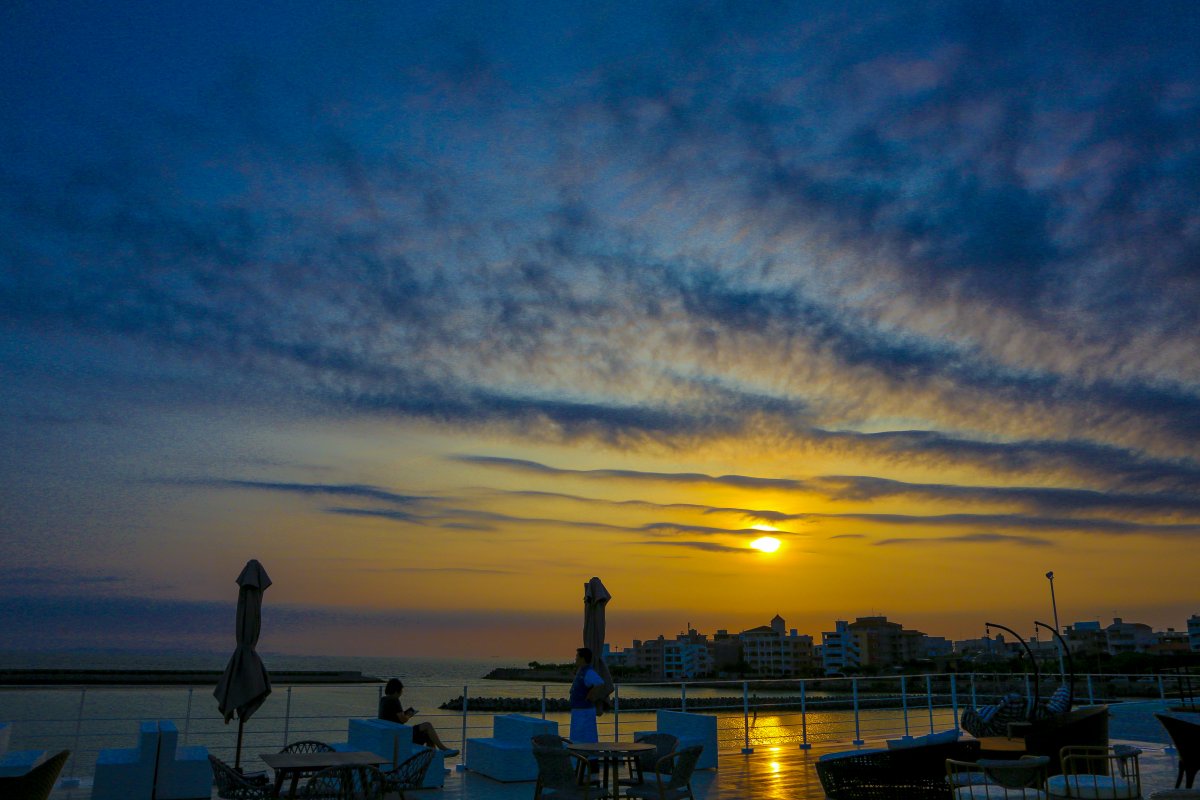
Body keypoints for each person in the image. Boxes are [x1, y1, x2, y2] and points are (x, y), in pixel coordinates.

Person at [378, 678, 459, 757]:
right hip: (399, 737)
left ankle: (434, 761)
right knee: (427, 725)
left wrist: (404, 715)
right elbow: (403, 720)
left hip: (392, 735)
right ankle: (443, 749)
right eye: (401, 691)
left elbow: (394, 718)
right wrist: (409, 715)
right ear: (396, 691)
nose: (401, 693)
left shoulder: (383, 700)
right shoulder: (394, 700)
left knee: (427, 734)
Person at [569, 647, 607, 743]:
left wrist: (589, 696)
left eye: (577, 656)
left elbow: (599, 683)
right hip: (579, 709)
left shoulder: (589, 672)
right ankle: (581, 755)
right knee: (578, 735)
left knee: (584, 735)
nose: (575, 658)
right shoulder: (581, 671)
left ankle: (588, 756)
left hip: (584, 711)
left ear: (582, 658)